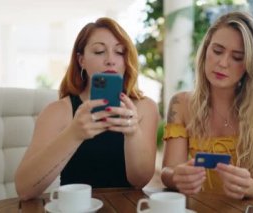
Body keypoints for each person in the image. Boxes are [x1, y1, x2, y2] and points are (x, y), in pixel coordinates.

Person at [15, 17, 159, 200]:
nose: (110, 60)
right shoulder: (57, 111)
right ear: (81, 60)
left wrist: (133, 134)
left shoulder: (145, 108)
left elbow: (140, 182)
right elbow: (25, 189)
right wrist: (74, 133)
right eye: (99, 51)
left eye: (120, 52)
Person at [161, 11, 253, 206]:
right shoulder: (181, 104)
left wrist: (248, 185)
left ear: (250, 65)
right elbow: (168, 172)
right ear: (205, 51)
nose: (222, 63)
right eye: (217, 51)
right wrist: (177, 176)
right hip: (205, 205)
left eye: (237, 57)